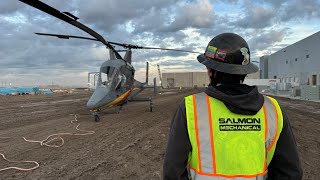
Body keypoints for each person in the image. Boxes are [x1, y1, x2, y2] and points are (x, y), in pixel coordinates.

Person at [163, 33, 303, 180]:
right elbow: (290, 172)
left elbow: (173, 171)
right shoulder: (272, 110)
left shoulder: (190, 109)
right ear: (244, 72)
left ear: (211, 71)